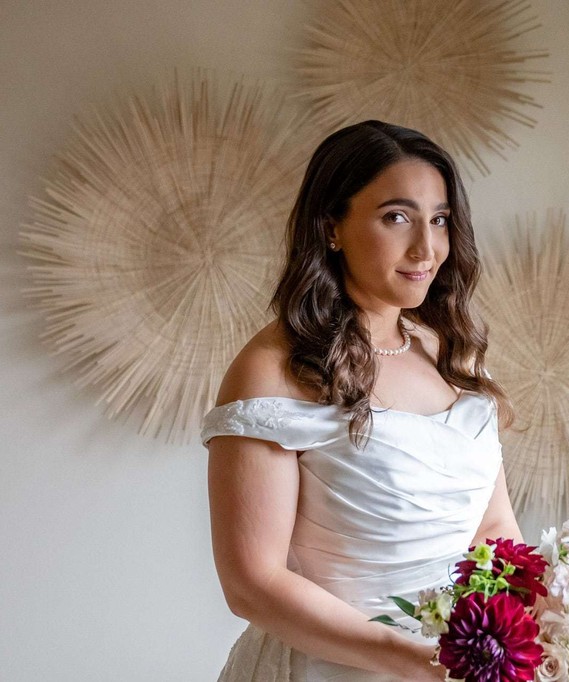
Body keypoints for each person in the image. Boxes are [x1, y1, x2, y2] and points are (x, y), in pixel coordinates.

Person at [201, 120, 523, 681]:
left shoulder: (455, 356)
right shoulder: (272, 370)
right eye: (396, 217)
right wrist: (411, 660)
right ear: (332, 228)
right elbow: (252, 583)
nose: (427, 248)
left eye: (440, 220)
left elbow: (495, 527)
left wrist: (544, 631)